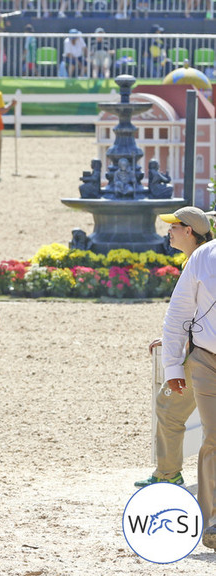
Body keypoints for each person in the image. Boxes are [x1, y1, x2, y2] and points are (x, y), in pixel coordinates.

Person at [135, 207, 213, 489]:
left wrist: (175, 348)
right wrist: (171, 341)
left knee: (168, 407)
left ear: (189, 231)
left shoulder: (200, 260)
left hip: (202, 356)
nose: (169, 231)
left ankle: (168, 473)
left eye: (174, 226)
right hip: (200, 350)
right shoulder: (197, 259)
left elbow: (190, 312)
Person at [161, 214, 216, 551]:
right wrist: (172, 366)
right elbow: (179, 311)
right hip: (206, 358)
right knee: (213, 437)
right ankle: (211, 521)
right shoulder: (203, 256)